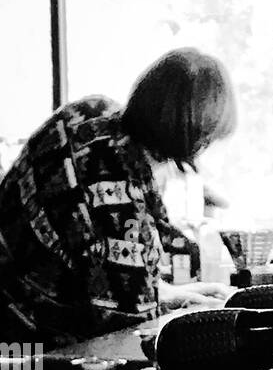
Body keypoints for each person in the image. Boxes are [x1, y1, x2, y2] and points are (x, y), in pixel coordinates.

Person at [0, 48, 237, 349]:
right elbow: (129, 332)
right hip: (28, 348)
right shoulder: (119, 206)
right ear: (198, 138)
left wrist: (162, 291)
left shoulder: (89, 112)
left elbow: (83, 263)